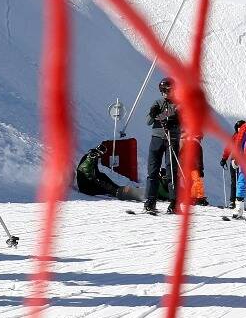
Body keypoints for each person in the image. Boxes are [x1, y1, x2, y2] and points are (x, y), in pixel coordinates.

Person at [143, 78, 181, 216]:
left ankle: (174, 202)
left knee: (171, 171)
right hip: (156, 139)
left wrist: (168, 118)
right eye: (163, 91)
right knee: (152, 171)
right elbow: (148, 121)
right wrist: (153, 113)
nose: (165, 93)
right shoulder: (157, 102)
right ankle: (150, 201)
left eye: (167, 91)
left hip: (172, 139)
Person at [75, 141, 139, 201]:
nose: (100, 155)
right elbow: (87, 172)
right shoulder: (90, 158)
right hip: (85, 187)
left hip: (88, 182)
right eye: (100, 153)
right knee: (103, 186)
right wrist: (99, 182)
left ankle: (117, 188)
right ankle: (116, 192)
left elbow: (96, 172)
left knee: (102, 176)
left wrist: (101, 180)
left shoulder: (93, 157)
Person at [221, 120, 246, 209]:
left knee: (243, 181)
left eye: (242, 128)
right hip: (234, 160)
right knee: (234, 181)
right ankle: (233, 201)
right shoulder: (235, 136)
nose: (240, 129)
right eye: (239, 128)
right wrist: (224, 158)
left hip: (244, 161)